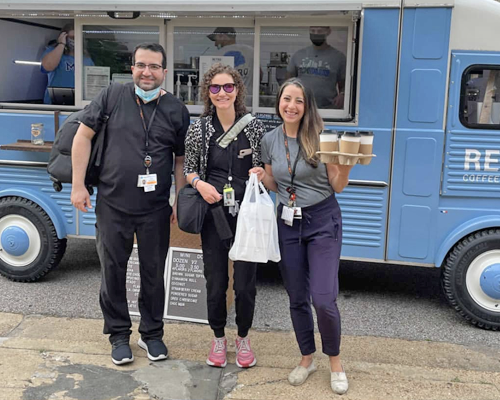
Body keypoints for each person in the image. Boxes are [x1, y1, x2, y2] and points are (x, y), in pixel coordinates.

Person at [70, 43, 190, 366]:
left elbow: (179, 160)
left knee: (154, 274)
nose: (146, 72)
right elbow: (82, 137)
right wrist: (79, 184)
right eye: (141, 65)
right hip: (112, 205)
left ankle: (151, 334)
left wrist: (178, 198)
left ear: (165, 72)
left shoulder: (177, 109)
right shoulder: (111, 96)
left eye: (154, 66)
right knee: (113, 272)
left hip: (155, 210)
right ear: (132, 67)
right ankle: (119, 335)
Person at [250, 78, 354, 395]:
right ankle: (307, 357)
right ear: (278, 102)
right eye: (286, 99)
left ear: (307, 106)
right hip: (288, 222)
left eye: (298, 100)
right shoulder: (269, 140)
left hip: (322, 220)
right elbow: (274, 182)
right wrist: (260, 175)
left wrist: (345, 167)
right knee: (296, 297)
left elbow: (337, 185)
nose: (291, 106)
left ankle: (335, 361)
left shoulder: (322, 138)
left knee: (323, 298)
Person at [184, 63, 265, 369]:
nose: (222, 93)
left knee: (245, 282)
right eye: (215, 88)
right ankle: (218, 337)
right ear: (208, 92)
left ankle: (243, 338)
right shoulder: (199, 128)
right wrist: (199, 183)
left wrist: (260, 171)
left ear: (237, 90)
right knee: (216, 280)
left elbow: (264, 168)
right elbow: (190, 169)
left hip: (247, 214)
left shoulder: (254, 127)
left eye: (228, 87)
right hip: (213, 211)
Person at [286, 26, 346, 109]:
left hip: (328, 109)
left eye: (320, 31)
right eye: (313, 30)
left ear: (328, 32)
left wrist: (342, 95)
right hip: (302, 108)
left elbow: (345, 83)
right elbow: (289, 81)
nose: (316, 33)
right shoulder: (299, 55)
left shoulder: (339, 57)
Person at [41, 23, 94, 104]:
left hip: (79, 104)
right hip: (56, 104)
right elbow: (47, 67)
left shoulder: (86, 58)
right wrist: (61, 44)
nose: (75, 41)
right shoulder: (53, 51)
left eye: (78, 38)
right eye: (72, 38)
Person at [207, 27, 255, 100]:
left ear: (222, 36)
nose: (215, 44)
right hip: (248, 99)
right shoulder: (250, 51)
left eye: (216, 40)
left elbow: (211, 80)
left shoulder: (219, 55)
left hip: (226, 99)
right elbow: (259, 75)